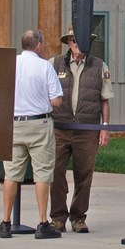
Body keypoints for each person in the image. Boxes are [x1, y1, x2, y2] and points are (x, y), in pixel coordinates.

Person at [0, 29, 63, 240]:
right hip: (39, 123)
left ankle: (6, 222)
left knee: (11, 174)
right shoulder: (45, 66)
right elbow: (56, 100)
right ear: (38, 45)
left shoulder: (10, 65)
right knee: (42, 173)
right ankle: (42, 222)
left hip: (14, 123)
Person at [49, 29, 112, 233]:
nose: (77, 43)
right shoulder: (54, 63)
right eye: (73, 40)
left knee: (84, 174)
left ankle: (78, 217)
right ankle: (58, 217)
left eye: (81, 40)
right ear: (68, 42)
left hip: (87, 129)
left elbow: (104, 101)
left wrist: (104, 128)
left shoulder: (99, 65)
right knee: (56, 172)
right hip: (60, 128)